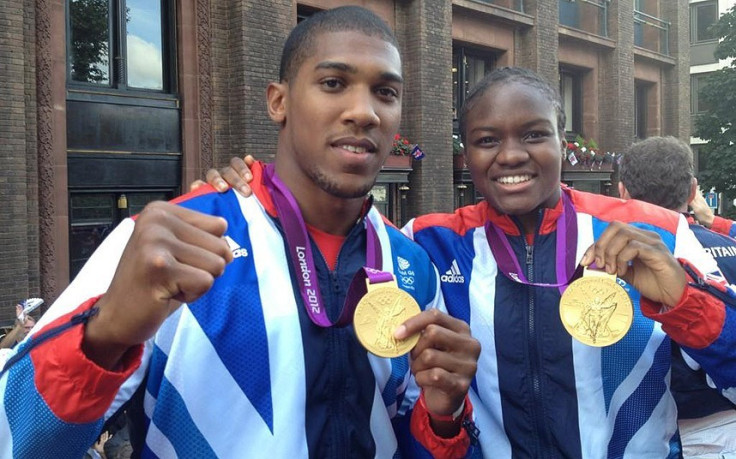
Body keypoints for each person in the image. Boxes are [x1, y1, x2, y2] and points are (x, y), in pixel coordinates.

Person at [0, 7, 481, 458]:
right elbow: (15, 436)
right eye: (333, 83)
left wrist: (444, 418)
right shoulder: (171, 242)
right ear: (278, 101)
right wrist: (103, 336)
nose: (365, 112)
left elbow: (409, 435)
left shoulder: (411, 265)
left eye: (386, 92)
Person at [208, 66, 736, 457]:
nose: (510, 155)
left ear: (561, 139)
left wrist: (687, 301)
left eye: (533, 134)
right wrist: (244, 194)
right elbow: (324, 225)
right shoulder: (429, 243)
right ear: (469, 152)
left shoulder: (656, 231)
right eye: (487, 141)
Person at [618, 135, 736, 457]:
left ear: (622, 192)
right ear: (693, 191)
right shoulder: (731, 250)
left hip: (632, 433)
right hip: (722, 430)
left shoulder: (601, 260)